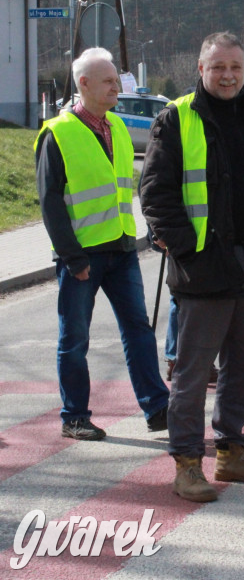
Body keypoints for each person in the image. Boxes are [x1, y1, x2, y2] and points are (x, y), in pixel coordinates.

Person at [140, 31, 244, 503]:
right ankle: (188, 462)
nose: (227, 75)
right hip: (204, 261)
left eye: (235, 67)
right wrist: (186, 250)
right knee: (193, 369)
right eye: (217, 67)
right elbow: (155, 193)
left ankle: (231, 451)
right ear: (200, 69)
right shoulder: (176, 117)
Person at [34, 47, 169, 442]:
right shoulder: (57, 134)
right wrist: (72, 257)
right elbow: (50, 203)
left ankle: (157, 407)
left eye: (116, 79)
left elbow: (130, 186)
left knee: (139, 331)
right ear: (84, 84)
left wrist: (151, 228)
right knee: (75, 339)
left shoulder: (118, 128)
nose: (116, 87)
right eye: (108, 81)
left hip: (122, 248)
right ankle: (74, 415)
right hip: (82, 256)